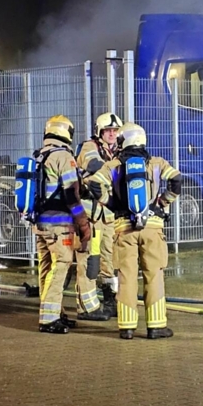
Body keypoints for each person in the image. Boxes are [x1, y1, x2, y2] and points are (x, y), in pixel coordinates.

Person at [97, 123, 182, 339]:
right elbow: (176, 180)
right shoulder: (156, 163)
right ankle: (156, 326)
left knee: (126, 276)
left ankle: (126, 328)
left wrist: (113, 205)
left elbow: (93, 184)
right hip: (152, 228)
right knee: (153, 275)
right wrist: (162, 202)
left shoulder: (114, 165)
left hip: (124, 228)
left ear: (122, 141)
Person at [35, 115, 107, 334]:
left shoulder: (40, 155)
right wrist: (83, 223)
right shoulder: (64, 156)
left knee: (46, 268)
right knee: (60, 268)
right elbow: (71, 195)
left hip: (40, 224)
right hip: (59, 225)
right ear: (68, 132)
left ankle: (55, 313)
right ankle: (48, 320)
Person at [76, 112, 122, 315]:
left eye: (114, 130)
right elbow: (93, 165)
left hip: (109, 215)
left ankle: (110, 300)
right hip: (92, 216)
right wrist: (118, 169)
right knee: (90, 261)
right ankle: (86, 306)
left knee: (109, 260)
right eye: (107, 131)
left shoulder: (118, 151)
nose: (112, 134)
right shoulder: (89, 147)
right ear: (99, 132)